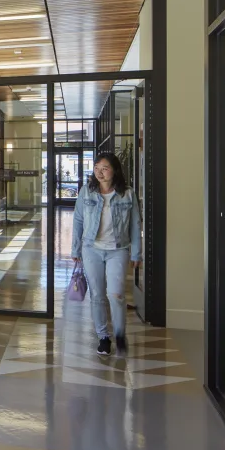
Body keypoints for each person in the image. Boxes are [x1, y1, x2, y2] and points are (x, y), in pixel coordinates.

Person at [71, 152, 142, 357]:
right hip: (91, 248)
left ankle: (119, 334)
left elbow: (136, 225)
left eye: (105, 168)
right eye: (96, 168)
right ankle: (103, 337)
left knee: (116, 294)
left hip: (118, 249)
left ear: (115, 170)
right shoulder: (87, 192)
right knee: (97, 295)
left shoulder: (127, 194)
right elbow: (78, 221)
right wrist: (76, 249)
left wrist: (136, 253)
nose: (100, 172)